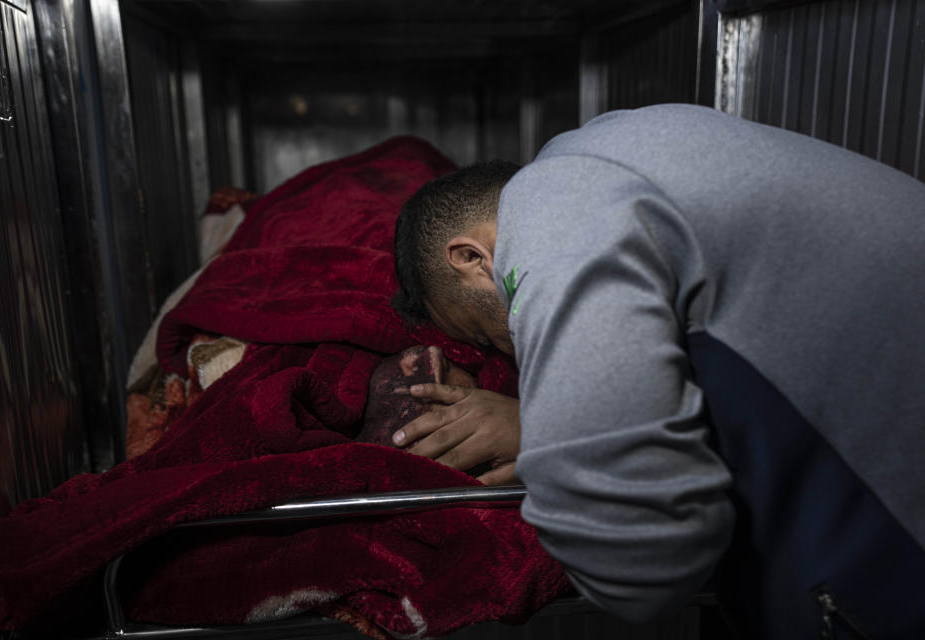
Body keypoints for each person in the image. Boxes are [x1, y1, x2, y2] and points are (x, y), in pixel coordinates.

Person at [390, 104, 925, 638]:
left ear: (471, 258)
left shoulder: (552, 206)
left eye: (486, 335)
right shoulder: (624, 149)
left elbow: (635, 561)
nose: (508, 355)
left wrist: (549, 436)